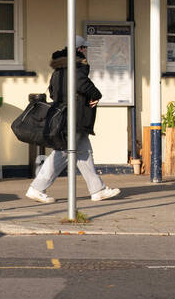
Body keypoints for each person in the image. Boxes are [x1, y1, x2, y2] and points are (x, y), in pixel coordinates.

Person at [26, 37, 120, 203]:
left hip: (66, 116)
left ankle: (97, 190)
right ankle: (37, 187)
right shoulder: (76, 65)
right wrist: (96, 95)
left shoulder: (59, 68)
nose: (86, 51)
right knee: (63, 152)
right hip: (75, 117)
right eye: (84, 48)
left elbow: (53, 92)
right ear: (79, 48)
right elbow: (82, 83)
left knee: (84, 153)